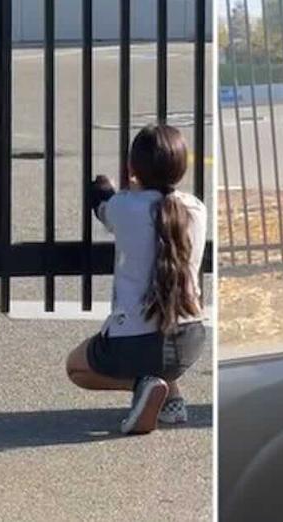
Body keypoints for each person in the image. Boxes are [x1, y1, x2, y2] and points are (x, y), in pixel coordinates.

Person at [65, 123, 207, 435]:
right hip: (191, 339)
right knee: (164, 324)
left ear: (132, 168)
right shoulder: (197, 209)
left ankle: (144, 386)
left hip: (134, 344)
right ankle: (172, 401)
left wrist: (105, 187)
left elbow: (103, 206)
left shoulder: (124, 206)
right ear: (182, 167)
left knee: (75, 366)